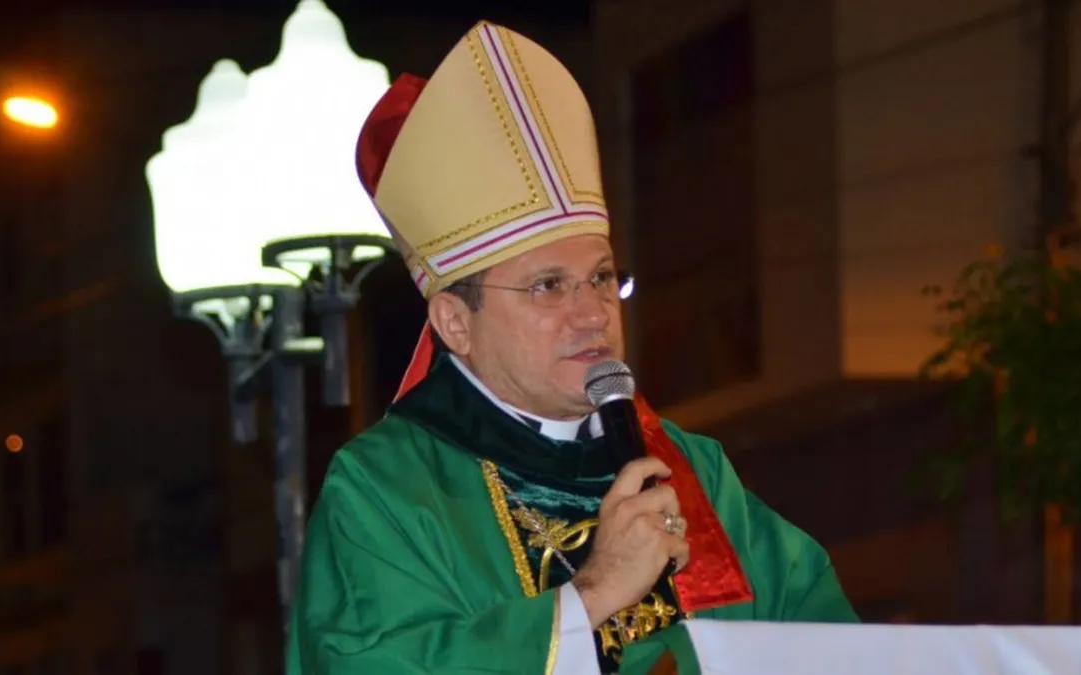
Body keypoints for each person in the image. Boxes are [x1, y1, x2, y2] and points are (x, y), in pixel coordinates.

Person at [286, 20, 858, 675]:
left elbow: (828, 644)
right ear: (455, 321)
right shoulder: (386, 490)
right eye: (548, 286)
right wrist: (591, 594)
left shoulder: (693, 470)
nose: (592, 313)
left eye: (603, 277)